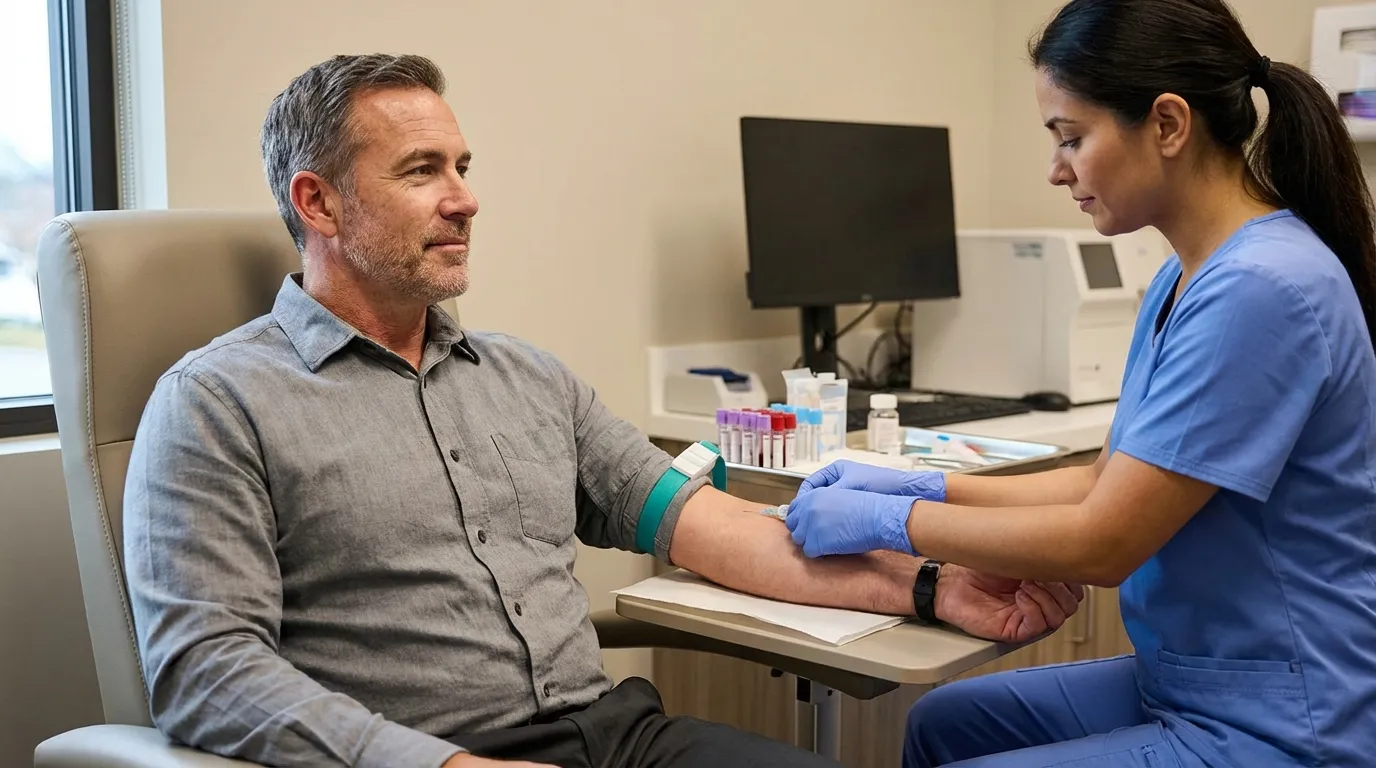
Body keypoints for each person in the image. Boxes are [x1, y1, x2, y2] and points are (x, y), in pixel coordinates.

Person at [122, 53, 1084, 768]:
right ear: (318, 203)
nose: (466, 200)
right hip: (430, 754)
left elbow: (715, 531)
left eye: (463, 165)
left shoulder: (528, 380)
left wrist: (925, 585)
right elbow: (206, 676)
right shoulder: (216, 405)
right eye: (422, 172)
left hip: (621, 738)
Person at [785, 0, 1376, 766]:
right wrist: (916, 486)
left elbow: (1103, 540)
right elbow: (1103, 481)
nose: (1057, 169)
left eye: (1072, 137)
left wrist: (887, 524)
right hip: (1199, 676)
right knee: (941, 724)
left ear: (1168, 124)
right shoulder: (1181, 278)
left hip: (1288, 714)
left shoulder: (1263, 288)